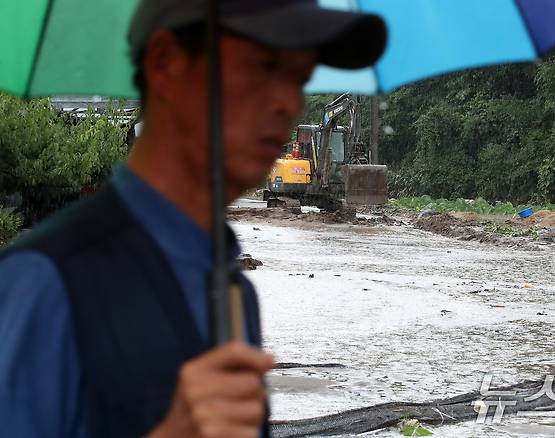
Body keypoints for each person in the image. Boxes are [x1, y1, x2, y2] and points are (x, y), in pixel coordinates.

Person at [0, 1, 386, 437]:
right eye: (263, 65)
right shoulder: (47, 284)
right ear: (166, 65)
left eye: (298, 78)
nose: (287, 103)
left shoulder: (233, 292)